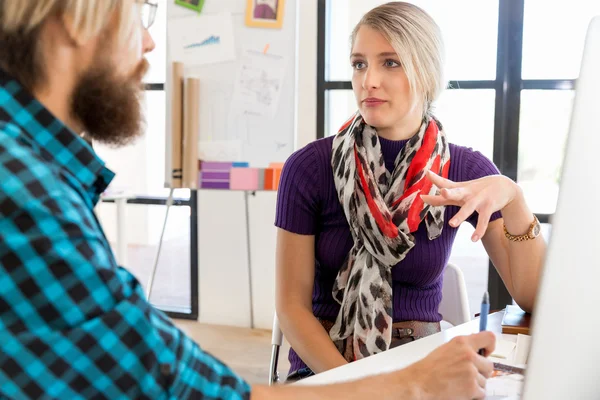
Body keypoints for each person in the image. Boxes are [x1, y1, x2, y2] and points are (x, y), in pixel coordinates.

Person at [0, 1, 497, 399]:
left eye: (390, 63)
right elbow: (170, 382)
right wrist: (403, 387)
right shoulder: (28, 197)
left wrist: (512, 204)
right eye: (141, 11)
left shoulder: (40, 176)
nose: (150, 40)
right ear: (74, 16)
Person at [275, 1, 546, 381]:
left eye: (390, 62)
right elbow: (291, 307)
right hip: (327, 369)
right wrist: (365, 388)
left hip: (424, 363)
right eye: (359, 63)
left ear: (426, 72)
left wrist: (514, 198)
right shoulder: (308, 168)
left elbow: (534, 299)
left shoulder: (465, 171)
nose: (368, 80)